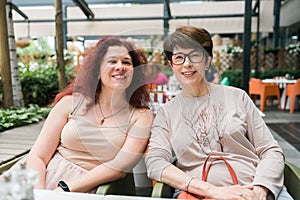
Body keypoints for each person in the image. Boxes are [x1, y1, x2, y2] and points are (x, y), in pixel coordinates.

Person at [145, 26, 292, 200]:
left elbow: (270, 150)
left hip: (252, 187)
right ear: (171, 65)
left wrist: (260, 190)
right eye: (178, 58)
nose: (187, 64)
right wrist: (211, 191)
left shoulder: (237, 97)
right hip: (199, 194)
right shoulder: (166, 113)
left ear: (207, 61)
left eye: (195, 55)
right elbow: (155, 162)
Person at [8, 37, 153, 193]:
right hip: (38, 179)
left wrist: (66, 190)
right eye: (112, 61)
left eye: (126, 62)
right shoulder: (69, 102)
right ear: (97, 71)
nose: (120, 67)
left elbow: (119, 167)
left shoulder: (141, 115)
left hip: (87, 187)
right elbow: (38, 156)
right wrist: (39, 193)